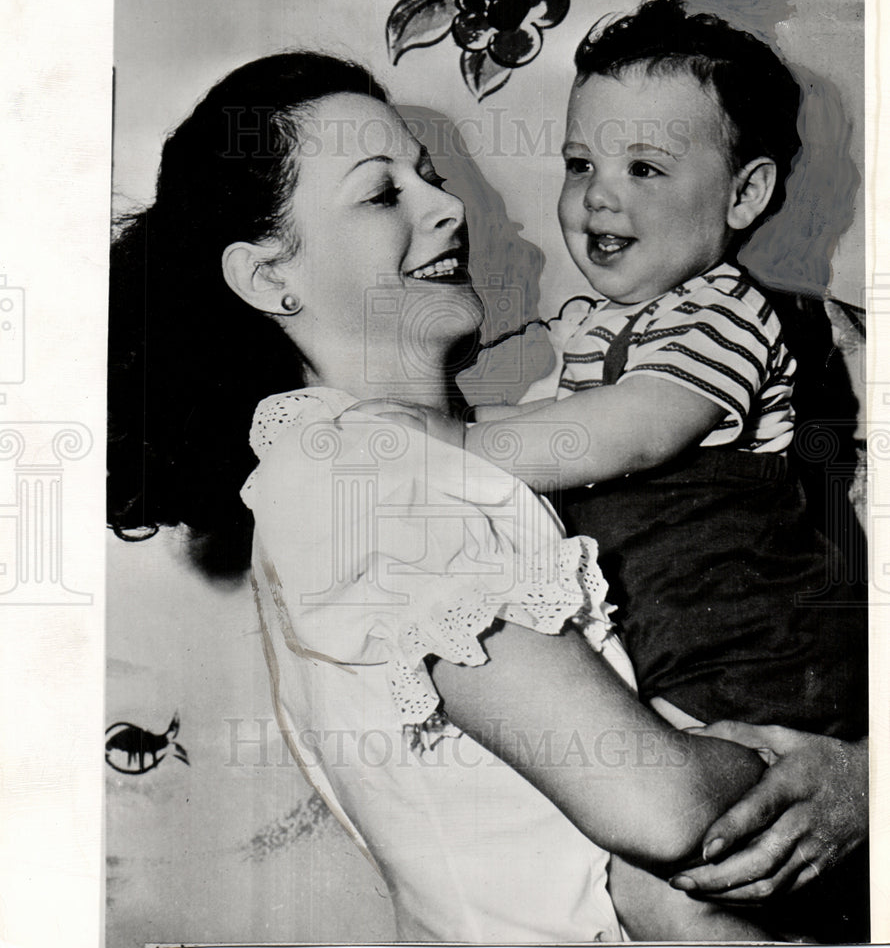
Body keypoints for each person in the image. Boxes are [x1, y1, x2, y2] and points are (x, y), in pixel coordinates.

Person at [106, 50, 842, 941]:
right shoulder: (363, 484)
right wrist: (856, 783)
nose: (447, 207)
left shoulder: (442, 461)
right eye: (383, 194)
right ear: (268, 278)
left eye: (431, 176)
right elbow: (664, 810)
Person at [461, 0, 868, 935]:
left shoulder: (723, 311)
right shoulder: (584, 332)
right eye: (580, 164)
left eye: (645, 167)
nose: (599, 194)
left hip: (765, 665)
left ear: (745, 195)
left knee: (673, 871)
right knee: (647, 874)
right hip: (673, 666)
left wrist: (443, 458)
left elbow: (632, 432)